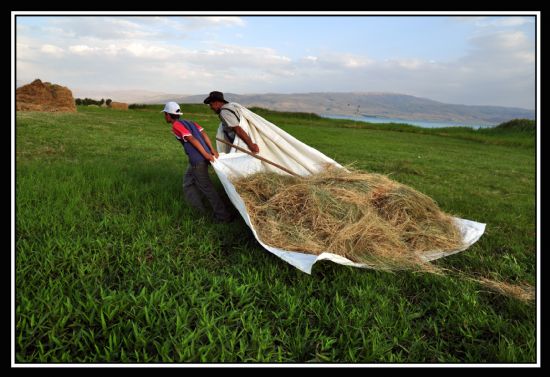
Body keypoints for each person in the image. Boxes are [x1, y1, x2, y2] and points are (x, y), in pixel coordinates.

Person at [162, 101, 233, 222]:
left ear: (168, 115)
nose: (165, 116)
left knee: (207, 188)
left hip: (198, 160)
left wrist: (206, 154)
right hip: (201, 158)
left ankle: (223, 216)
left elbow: (191, 139)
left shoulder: (176, 126)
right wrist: (211, 150)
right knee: (188, 182)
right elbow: (204, 134)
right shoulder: (190, 122)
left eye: (165, 114)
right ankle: (197, 210)